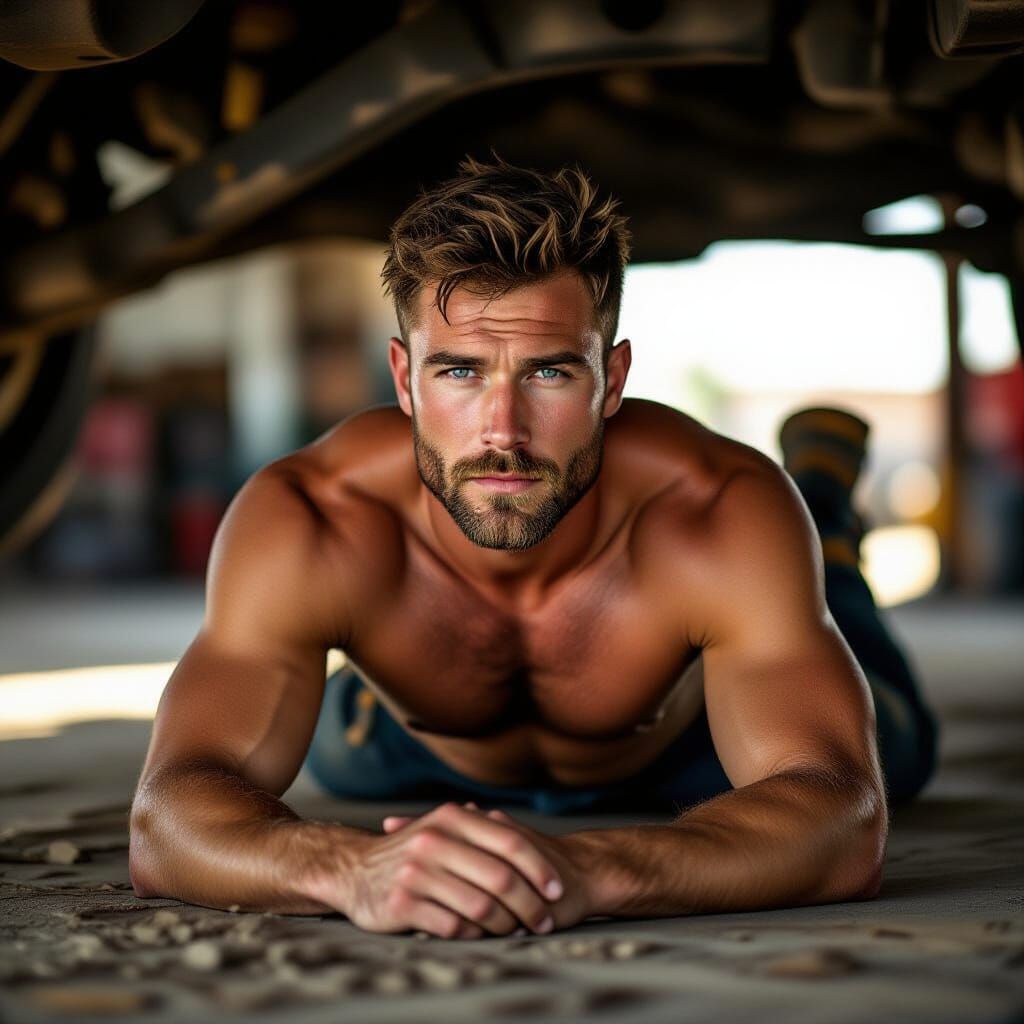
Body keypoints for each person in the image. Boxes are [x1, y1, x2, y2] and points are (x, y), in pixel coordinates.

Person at [129, 154, 939, 942]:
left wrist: (588, 871)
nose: (502, 434)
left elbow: (841, 819)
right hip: (412, 749)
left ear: (610, 380)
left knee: (891, 744)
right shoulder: (312, 515)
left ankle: (826, 515)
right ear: (405, 378)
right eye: (460, 373)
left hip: (684, 753)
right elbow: (166, 819)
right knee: (340, 759)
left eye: (549, 374)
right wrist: (351, 868)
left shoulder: (716, 507)